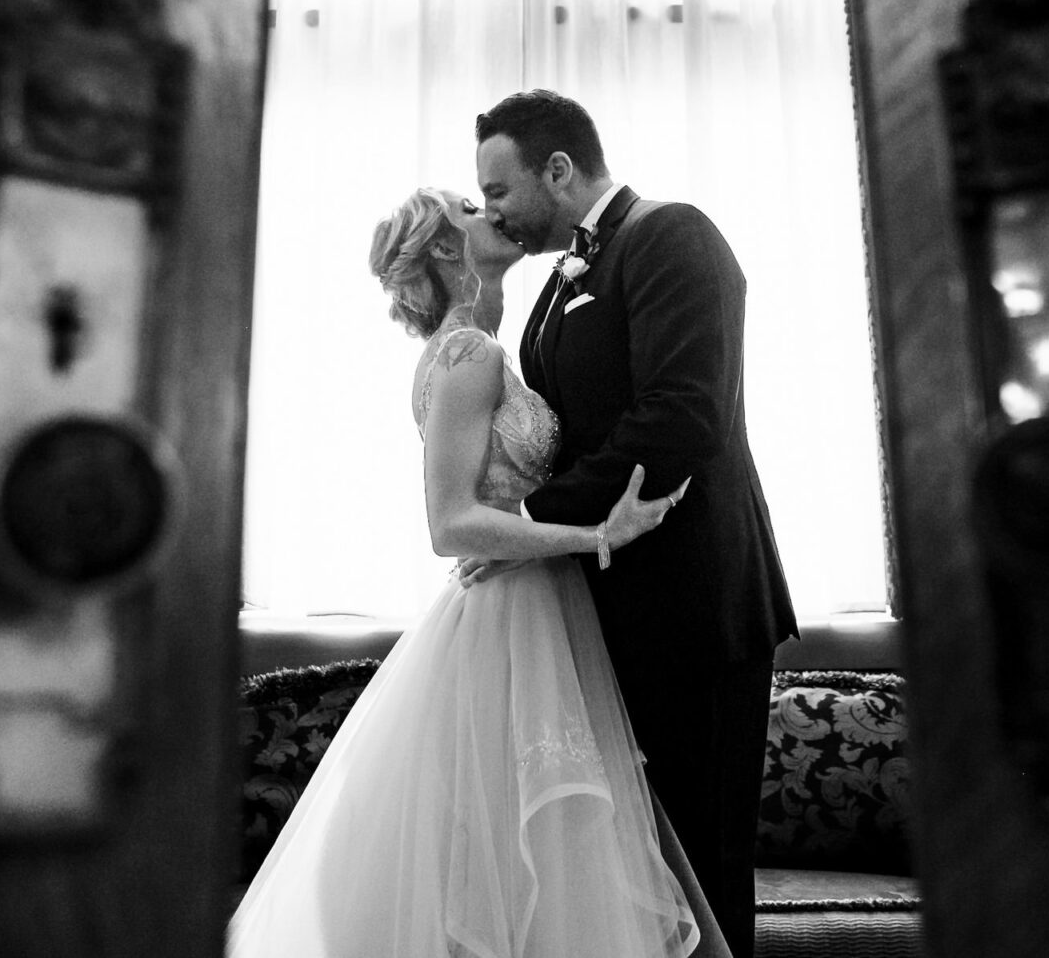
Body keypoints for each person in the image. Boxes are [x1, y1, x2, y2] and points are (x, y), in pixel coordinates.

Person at [226, 187, 727, 958]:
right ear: (444, 248)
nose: (486, 207)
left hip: (542, 607)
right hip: (511, 617)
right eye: (466, 204)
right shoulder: (469, 355)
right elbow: (450, 525)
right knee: (520, 846)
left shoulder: (495, 345)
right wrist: (597, 530)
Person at [473, 89, 798, 958]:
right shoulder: (560, 276)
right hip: (607, 608)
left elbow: (681, 415)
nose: (491, 209)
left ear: (558, 168)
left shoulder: (672, 235)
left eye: (499, 189)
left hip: (694, 606)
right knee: (637, 874)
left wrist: (528, 519)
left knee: (702, 859)